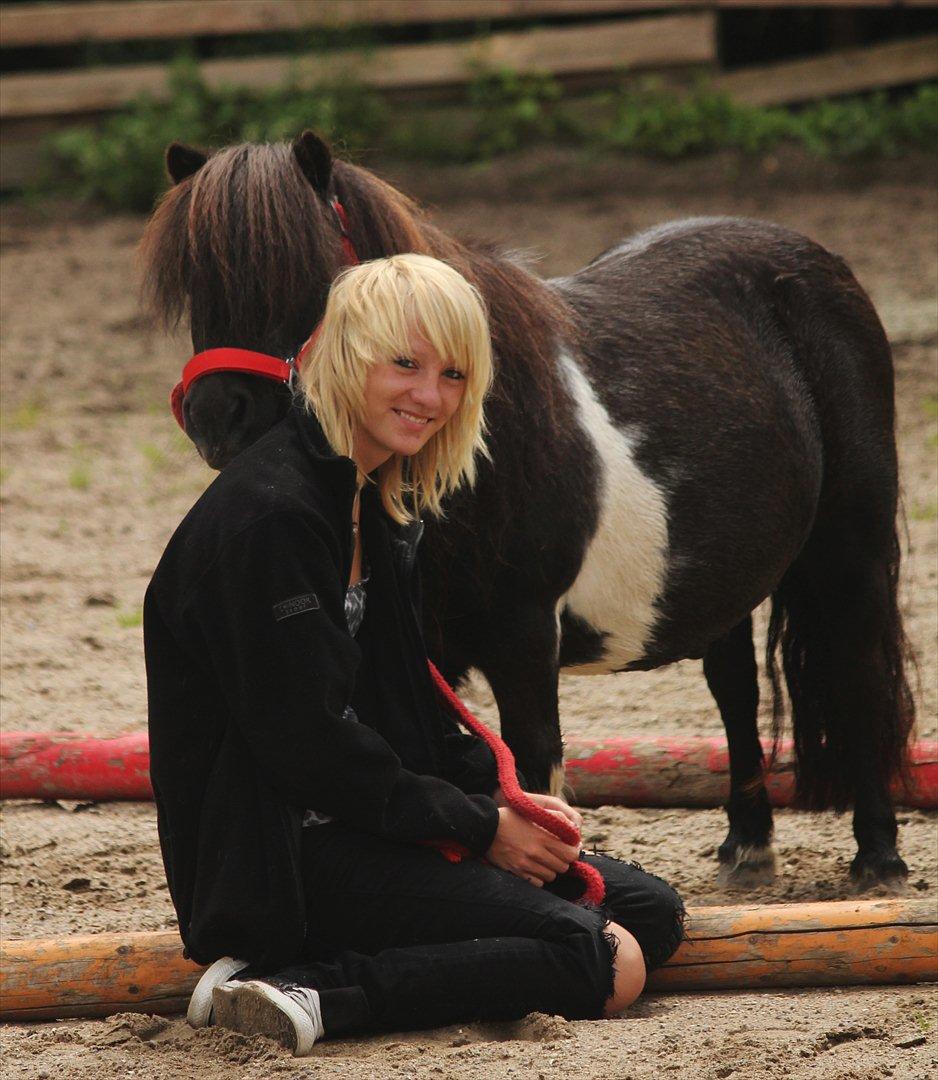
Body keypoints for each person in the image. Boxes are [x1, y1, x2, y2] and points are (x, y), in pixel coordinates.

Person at [144, 253, 684, 1056]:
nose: (430, 397)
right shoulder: (274, 521)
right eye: (405, 363)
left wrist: (506, 806)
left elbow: (401, 707)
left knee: (649, 912)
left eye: (454, 374)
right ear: (344, 355)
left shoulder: (371, 502)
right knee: (602, 959)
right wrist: (480, 828)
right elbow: (308, 748)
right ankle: (312, 992)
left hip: (364, 826)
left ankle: (349, 961)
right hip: (281, 858)